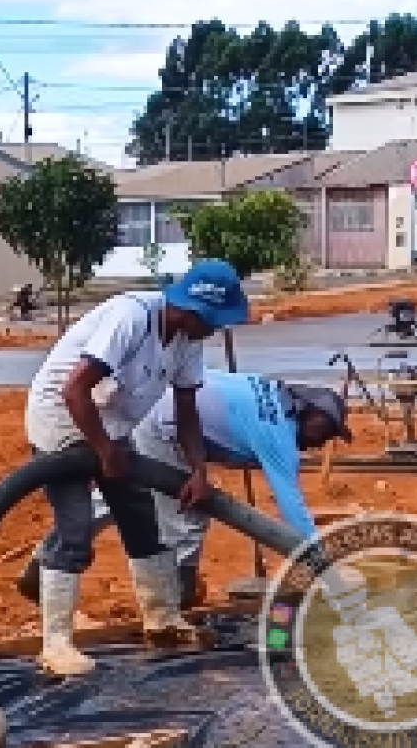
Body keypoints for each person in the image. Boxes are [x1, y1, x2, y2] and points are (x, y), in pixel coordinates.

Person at [15, 371, 353, 664]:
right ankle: (177, 595)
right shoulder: (277, 432)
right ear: (306, 411)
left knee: (122, 496)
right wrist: (329, 575)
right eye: (322, 430)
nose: (320, 441)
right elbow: (293, 513)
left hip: (157, 408)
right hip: (168, 425)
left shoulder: (270, 393)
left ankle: (42, 563)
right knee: (187, 510)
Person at [24, 259, 249, 677]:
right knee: (75, 528)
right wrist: (102, 451)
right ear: (193, 310)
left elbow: (186, 411)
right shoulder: (132, 318)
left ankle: (161, 621)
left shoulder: (187, 341)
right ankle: (55, 646)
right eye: (214, 321)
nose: (216, 331)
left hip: (111, 426)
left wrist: (198, 468)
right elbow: (75, 389)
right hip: (62, 420)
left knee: (141, 520)